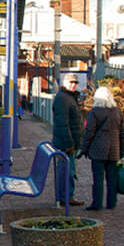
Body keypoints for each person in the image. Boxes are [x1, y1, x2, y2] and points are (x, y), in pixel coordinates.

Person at [79, 86, 124, 210]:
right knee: (112, 178)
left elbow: (89, 132)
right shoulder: (117, 112)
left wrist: (84, 149)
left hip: (98, 151)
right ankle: (111, 203)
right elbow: (123, 134)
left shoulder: (94, 112)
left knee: (98, 179)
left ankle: (97, 204)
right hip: (114, 151)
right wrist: (122, 152)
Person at [51, 74, 85, 206]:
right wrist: (69, 143)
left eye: (76, 83)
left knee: (68, 170)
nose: (74, 85)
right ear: (65, 83)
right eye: (71, 82)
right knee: (67, 171)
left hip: (69, 142)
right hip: (66, 144)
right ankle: (66, 197)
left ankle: (66, 196)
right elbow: (62, 123)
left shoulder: (68, 97)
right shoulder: (63, 98)